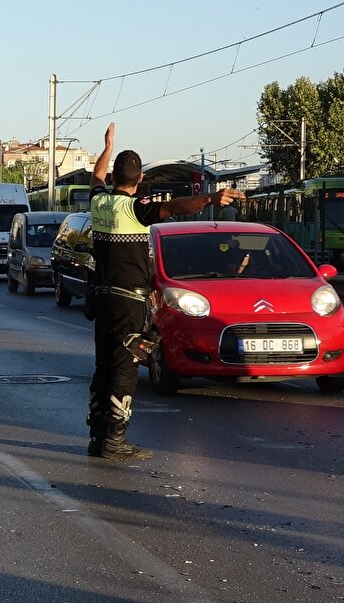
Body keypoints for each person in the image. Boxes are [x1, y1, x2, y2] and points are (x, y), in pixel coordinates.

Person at [86, 122, 244, 461]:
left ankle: (98, 436)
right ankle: (115, 441)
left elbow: (95, 177)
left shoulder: (99, 202)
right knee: (126, 368)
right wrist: (212, 198)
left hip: (101, 299)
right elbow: (176, 207)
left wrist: (107, 148)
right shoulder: (135, 209)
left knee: (103, 367)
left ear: (114, 178)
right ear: (140, 179)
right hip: (128, 301)